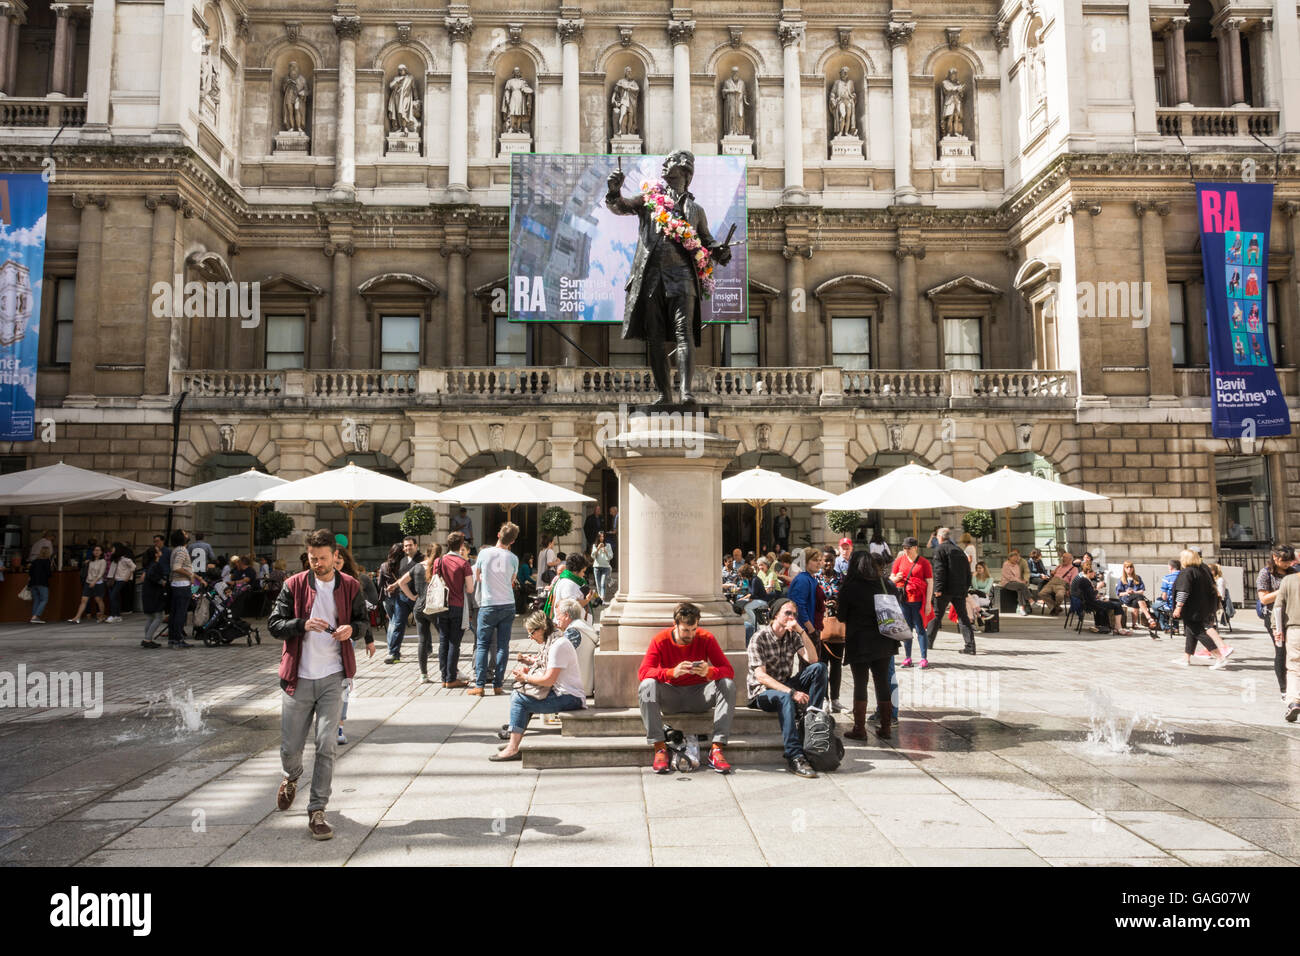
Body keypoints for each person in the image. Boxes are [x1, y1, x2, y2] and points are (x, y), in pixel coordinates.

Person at [268, 529, 373, 840]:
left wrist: (351, 630)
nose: (317, 563)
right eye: (312, 558)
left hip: (332, 677)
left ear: (335, 556)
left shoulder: (351, 586)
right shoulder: (293, 585)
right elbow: (274, 624)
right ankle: (291, 777)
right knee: (291, 748)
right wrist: (301, 624)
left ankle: (317, 811)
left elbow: (364, 623)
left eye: (323, 558)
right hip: (298, 677)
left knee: (326, 745)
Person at [605, 150, 732, 405]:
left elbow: (708, 243)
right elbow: (622, 207)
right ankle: (664, 394)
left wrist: (721, 251)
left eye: (671, 162)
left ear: (685, 170)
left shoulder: (696, 210)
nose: (665, 165)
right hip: (651, 276)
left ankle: (686, 393)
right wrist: (614, 192)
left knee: (683, 333)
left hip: (683, 277)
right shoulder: (649, 200)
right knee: (655, 338)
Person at [636, 602, 736, 773]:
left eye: (693, 630)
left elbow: (729, 670)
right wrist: (671, 673)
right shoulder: (661, 640)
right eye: (685, 630)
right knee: (647, 686)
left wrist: (709, 671)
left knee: (728, 683)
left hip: (700, 694)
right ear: (675, 625)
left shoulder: (706, 638)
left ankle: (717, 747)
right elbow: (643, 672)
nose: (690, 635)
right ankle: (659, 746)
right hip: (670, 695)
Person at [747, 597, 827, 778]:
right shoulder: (759, 638)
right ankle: (794, 755)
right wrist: (791, 692)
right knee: (784, 697)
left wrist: (800, 630)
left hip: (785, 683)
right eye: (787, 613)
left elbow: (812, 659)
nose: (792, 617)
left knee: (819, 668)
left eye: (794, 614)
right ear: (775, 615)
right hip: (762, 692)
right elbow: (761, 676)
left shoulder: (792, 635)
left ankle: (811, 723)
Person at [490, 611, 586, 762]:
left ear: (541, 629)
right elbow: (545, 671)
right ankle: (514, 736)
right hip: (562, 692)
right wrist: (528, 671)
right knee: (521, 692)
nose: (530, 637)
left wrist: (526, 677)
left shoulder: (558, 646)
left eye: (531, 633)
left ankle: (513, 747)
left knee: (519, 699)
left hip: (570, 697)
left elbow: (548, 680)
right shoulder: (552, 642)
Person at [838, 551, 899, 739]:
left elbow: (841, 616)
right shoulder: (885, 584)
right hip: (884, 640)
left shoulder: (849, 587)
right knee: (882, 682)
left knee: (860, 683)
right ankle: (886, 727)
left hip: (859, 642)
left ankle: (859, 728)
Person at [473, 522, 520, 695]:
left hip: (488, 604)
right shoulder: (513, 558)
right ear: (512, 541)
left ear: (499, 534)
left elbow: (477, 576)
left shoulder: (484, 553)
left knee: (483, 645)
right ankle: (498, 685)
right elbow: (512, 581)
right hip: (507, 603)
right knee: (502, 646)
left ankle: (479, 685)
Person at [1172, 549, 1231, 669]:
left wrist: (1178, 607)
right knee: (1190, 631)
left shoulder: (1187, 572)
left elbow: (1183, 591)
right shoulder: (1202, 570)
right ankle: (1186, 657)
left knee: (1198, 632)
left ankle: (1219, 657)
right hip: (1203, 606)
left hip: (1192, 608)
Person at [1258, 545, 1297, 699]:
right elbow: (1264, 598)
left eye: (1290, 561)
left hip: (1292, 615)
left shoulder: (1294, 572)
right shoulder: (1265, 573)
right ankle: (1284, 689)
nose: (1287, 564)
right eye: (1284, 561)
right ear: (1275, 558)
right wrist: (1283, 589)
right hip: (1274, 617)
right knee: (1281, 651)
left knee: (1294, 651)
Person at [401, 543, 444, 686]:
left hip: (419, 607)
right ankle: (448, 671)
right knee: (445, 638)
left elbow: (402, 582)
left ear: (426, 553)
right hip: (435, 606)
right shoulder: (439, 566)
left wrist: (412, 597)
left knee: (422, 641)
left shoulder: (418, 567)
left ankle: (423, 674)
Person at [890, 536, 933, 668]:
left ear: (915, 548)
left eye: (908, 548)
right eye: (904, 548)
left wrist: (928, 603)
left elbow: (930, 583)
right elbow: (891, 577)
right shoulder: (899, 560)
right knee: (906, 630)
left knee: (920, 630)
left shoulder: (924, 563)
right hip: (904, 601)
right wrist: (896, 578)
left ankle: (923, 658)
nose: (906, 550)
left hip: (918, 602)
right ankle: (908, 658)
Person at [932, 528, 976, 654]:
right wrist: (966, 587)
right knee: (963, 617)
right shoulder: (959, 550)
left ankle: (928, 642)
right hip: (959, 590)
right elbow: (968, 571)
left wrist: (938, 589)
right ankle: (970, 646)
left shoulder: (940, 549)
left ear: (939, 537)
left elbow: (939, 571)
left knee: (936, 616)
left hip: (945, 590)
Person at [382, 535, 423, 664]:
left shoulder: (422, 559)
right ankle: (394, 653)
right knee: (398, 624)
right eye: (405, 546)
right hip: (403, 597)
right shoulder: (403, 561)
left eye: (410, 545)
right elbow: (402, 579)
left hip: (419, 597)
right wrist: (394, 586)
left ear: (416, 546)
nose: (407, 548)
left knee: (423, 625)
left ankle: (427, 648)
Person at [1269, 566, 1300, 722]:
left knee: (1294, 667)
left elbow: (1278, 606)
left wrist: (1277, 628)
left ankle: (1294, 701)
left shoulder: (1289, 580)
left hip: (1295, 630)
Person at [1070, 555, 1129, 634]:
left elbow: (1089, 594)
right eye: (1093, 572)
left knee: (1114, 604)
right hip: (1091, 604)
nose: (1095, 574)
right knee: (1117, 605)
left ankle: (1116, 627)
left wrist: (1098, 596)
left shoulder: (1084, 579)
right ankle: (1118, 628)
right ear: (1088, 572)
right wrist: (1097, 588)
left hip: (1089, 602)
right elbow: (1091, 597)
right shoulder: (1085, 581)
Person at [1116, 560, 1160, 635]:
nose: (1129, 569)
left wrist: (1134, 592)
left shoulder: (1137, 578)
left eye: (1131, 567)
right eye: (1127, 567)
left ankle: (1134, 624)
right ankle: (1149, 618)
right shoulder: (1121, 579)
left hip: (1136, 597)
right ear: (1124, 569)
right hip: (1126, 598)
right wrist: (1127, 592)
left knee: (1137, 601)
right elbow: (1119, 594)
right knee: (1139, 597)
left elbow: (1142, 591)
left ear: (1133, 568)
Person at [544, 552, 592, 618]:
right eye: (583, 571)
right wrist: (587, 600)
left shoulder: (566, 579)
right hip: (569, 625)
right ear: (575, 570)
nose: (584, 574)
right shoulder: (568, 584)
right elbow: (572, 606)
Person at [69, 544, 108, 624]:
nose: (96, 552)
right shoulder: (90, 561)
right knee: (83, 600)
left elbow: (101, 573)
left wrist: (95, 581)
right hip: (88, 582)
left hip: (98, 583)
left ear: (101, 552)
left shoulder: (103, 561)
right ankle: (77, 617)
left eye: (98, 550)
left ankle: (102, 615)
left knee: (98, 600)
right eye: (94, 550)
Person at [139, 542, 168, 648]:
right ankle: (147, 639)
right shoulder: (155, 565)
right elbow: (153, 576)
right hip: (154, 594)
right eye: (158, 551)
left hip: (148, 593)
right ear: (156, 554)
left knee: (150, 617)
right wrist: (162, 582)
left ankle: (147, 638)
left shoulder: (149, 565)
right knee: (158, 617)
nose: (160, 552)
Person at [103, 543, 136, 623]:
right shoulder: (115, 559)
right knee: (115, 597)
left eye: (113, 548)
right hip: (113, 580)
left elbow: (133, 567)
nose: (112, 550)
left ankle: (114, 615)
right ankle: (117, 616)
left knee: (113, 596)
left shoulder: (124, 559)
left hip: (121, 580)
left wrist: (127, 577)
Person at [1000, 549, 1033, 615]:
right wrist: (1020, 581)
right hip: (1007, 583)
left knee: (1020, 589)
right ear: (1010, 558)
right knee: (1022, 586)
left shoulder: (1017, 565)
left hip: (1015, 583)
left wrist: (1022, 581)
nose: (1016, 560)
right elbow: (1009, 577)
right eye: (1015, 558)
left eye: (1017, 558)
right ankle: (1031, 600)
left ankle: (1021, 609)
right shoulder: (1006, 564)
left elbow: (1018, 576)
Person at [28, 544, 52, 624]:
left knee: (36, 600)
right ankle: (35, 616)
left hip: (32, 583)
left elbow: (30, 572)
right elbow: (49, 573)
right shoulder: (47, 561)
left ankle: (33, 617)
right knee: (44, 599)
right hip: (42, 583)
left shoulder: (35, 561)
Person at [590, 531, 612, 602]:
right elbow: (593, 556)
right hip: (597, 567)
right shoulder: (595, 545)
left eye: (603, 536)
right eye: (600, 536)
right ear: (598, 537)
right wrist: (598, 549)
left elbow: (611, 556)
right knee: (598, 584)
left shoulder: (608, 545)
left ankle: (603, 598)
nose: (602, 538)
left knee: (603, 583)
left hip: (605, 567)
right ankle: (600, 598)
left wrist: (605, 551)